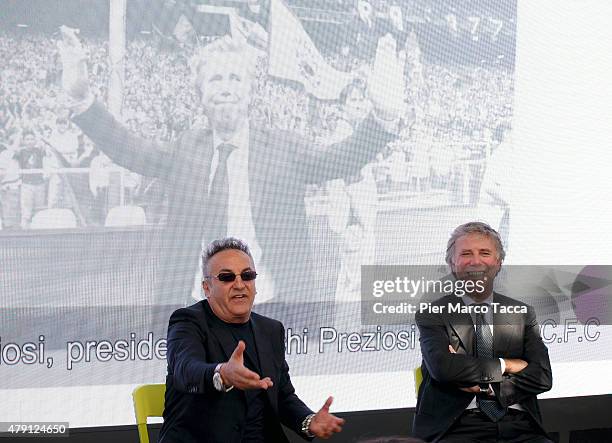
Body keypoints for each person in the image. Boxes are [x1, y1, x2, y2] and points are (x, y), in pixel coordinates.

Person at [58, 30, 402, 306]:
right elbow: (130, 150)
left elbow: (340, 158)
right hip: (199, 308)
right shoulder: (185, 149)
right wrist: (83, 102)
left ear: (250, 91)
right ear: (201, 92)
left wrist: (382, 117)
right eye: (216, 79)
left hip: (273, 306)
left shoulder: (284, 147)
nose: (226, 88)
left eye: (235, 78)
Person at [160, 237, 345, 442]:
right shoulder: (188, 321)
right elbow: (186, 370)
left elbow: (282, 397)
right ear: (206, 287)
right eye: (227, 277)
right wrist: (222, 375)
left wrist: (309, 422)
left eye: (247, 275)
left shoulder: (271, 329)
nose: (239, 284)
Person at [413, 222, 553, 442]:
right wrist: (508, 365)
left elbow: (543, 376)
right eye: (466, 253)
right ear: (452, 263)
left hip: (520, 426)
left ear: (498, 263)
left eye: (485, 253)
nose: (476, 261)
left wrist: (492, 390)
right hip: (457, 428)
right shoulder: (432, 313)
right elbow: (444, 368)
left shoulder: (523, 313)